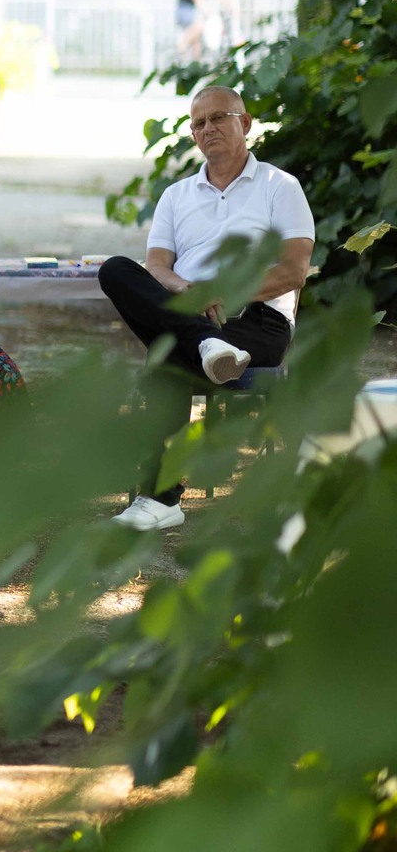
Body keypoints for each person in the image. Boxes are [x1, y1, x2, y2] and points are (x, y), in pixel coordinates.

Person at [97, 85, 313, 532]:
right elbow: (156, 267)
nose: (208, 128)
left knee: (170, 356)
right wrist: (190, 291)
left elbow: (293, 271)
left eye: (219, 118)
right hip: (190, 313)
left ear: (245, 123)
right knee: (116, 269)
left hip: (257, 322)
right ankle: (205, 344)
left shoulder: (280, 187)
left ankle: (160, 500)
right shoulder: (176, 195)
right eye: (199, 123)